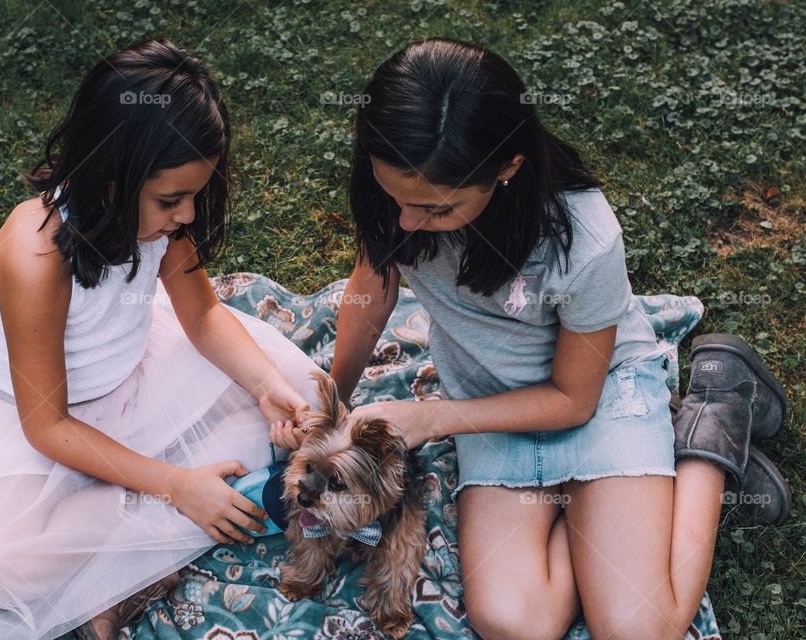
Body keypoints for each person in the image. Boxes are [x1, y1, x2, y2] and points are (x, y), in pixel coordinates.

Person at [274, 38, 791, 640]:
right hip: (490, 409)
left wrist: (433, 418)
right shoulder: (397, 190)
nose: (408, 222)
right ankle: (611, 514)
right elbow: (373, 290)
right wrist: (330, 405)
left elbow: (574, 399)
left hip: (595, 394)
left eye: (436, 209)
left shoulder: (582, 236)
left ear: (508, 167)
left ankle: (712, 424)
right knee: (512, 622)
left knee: (638, 631)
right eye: (396, 199)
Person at [0, 39, 320, 640]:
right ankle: (180, 508)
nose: (187, 215)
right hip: (40, 423)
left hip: (138, 376)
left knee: (309, 392)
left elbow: (201, 318)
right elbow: (48, 425)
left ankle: (132, 542)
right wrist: (175, 486)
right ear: (111, 178)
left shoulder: (162, 224)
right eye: (172, 200)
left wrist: (266, 384)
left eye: (194, 195)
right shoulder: (36, 257)